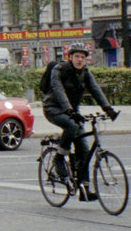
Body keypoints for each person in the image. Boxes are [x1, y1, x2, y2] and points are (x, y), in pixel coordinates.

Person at [43, 44, 119, 201]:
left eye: (83, 57)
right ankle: (59, 157)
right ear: (70, 57)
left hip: (73, 111)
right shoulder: (60, 69)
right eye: (77, 56)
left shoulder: (85, 72)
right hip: (54, 108)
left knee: (83, 149)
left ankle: (84, 189)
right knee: (71, 125)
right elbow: (59, 90)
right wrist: (69, 111)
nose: (80, 60)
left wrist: (108, 109)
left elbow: (95, 89)